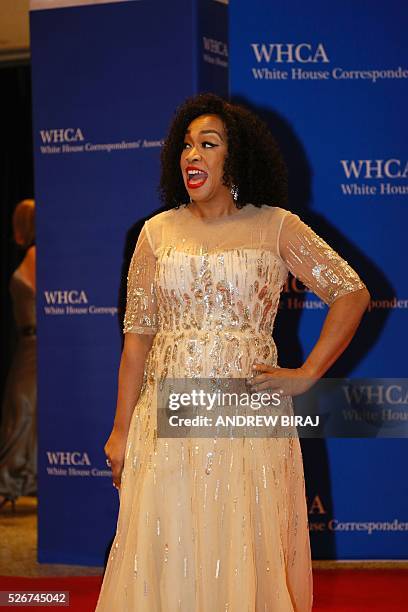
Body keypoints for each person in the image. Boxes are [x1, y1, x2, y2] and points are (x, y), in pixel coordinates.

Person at [96, 93, 370, 611]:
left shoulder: (276, 225)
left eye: (208, 143)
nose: (191, 155)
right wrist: (121, 429)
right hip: (167, 415)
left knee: (242, 543)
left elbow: (350, 293)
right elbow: (138, 337)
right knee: (168, 540)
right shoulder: (156, 234)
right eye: (185, 144)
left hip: (246, 417)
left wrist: (307, 374)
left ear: (235, 156)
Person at [0, 199, 37, 512]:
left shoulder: (36, 256)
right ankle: (11, 483)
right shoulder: (32, 255)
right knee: (21, 409)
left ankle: (7, 483)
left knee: (22, 409)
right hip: (27, 345)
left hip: (36, 345)